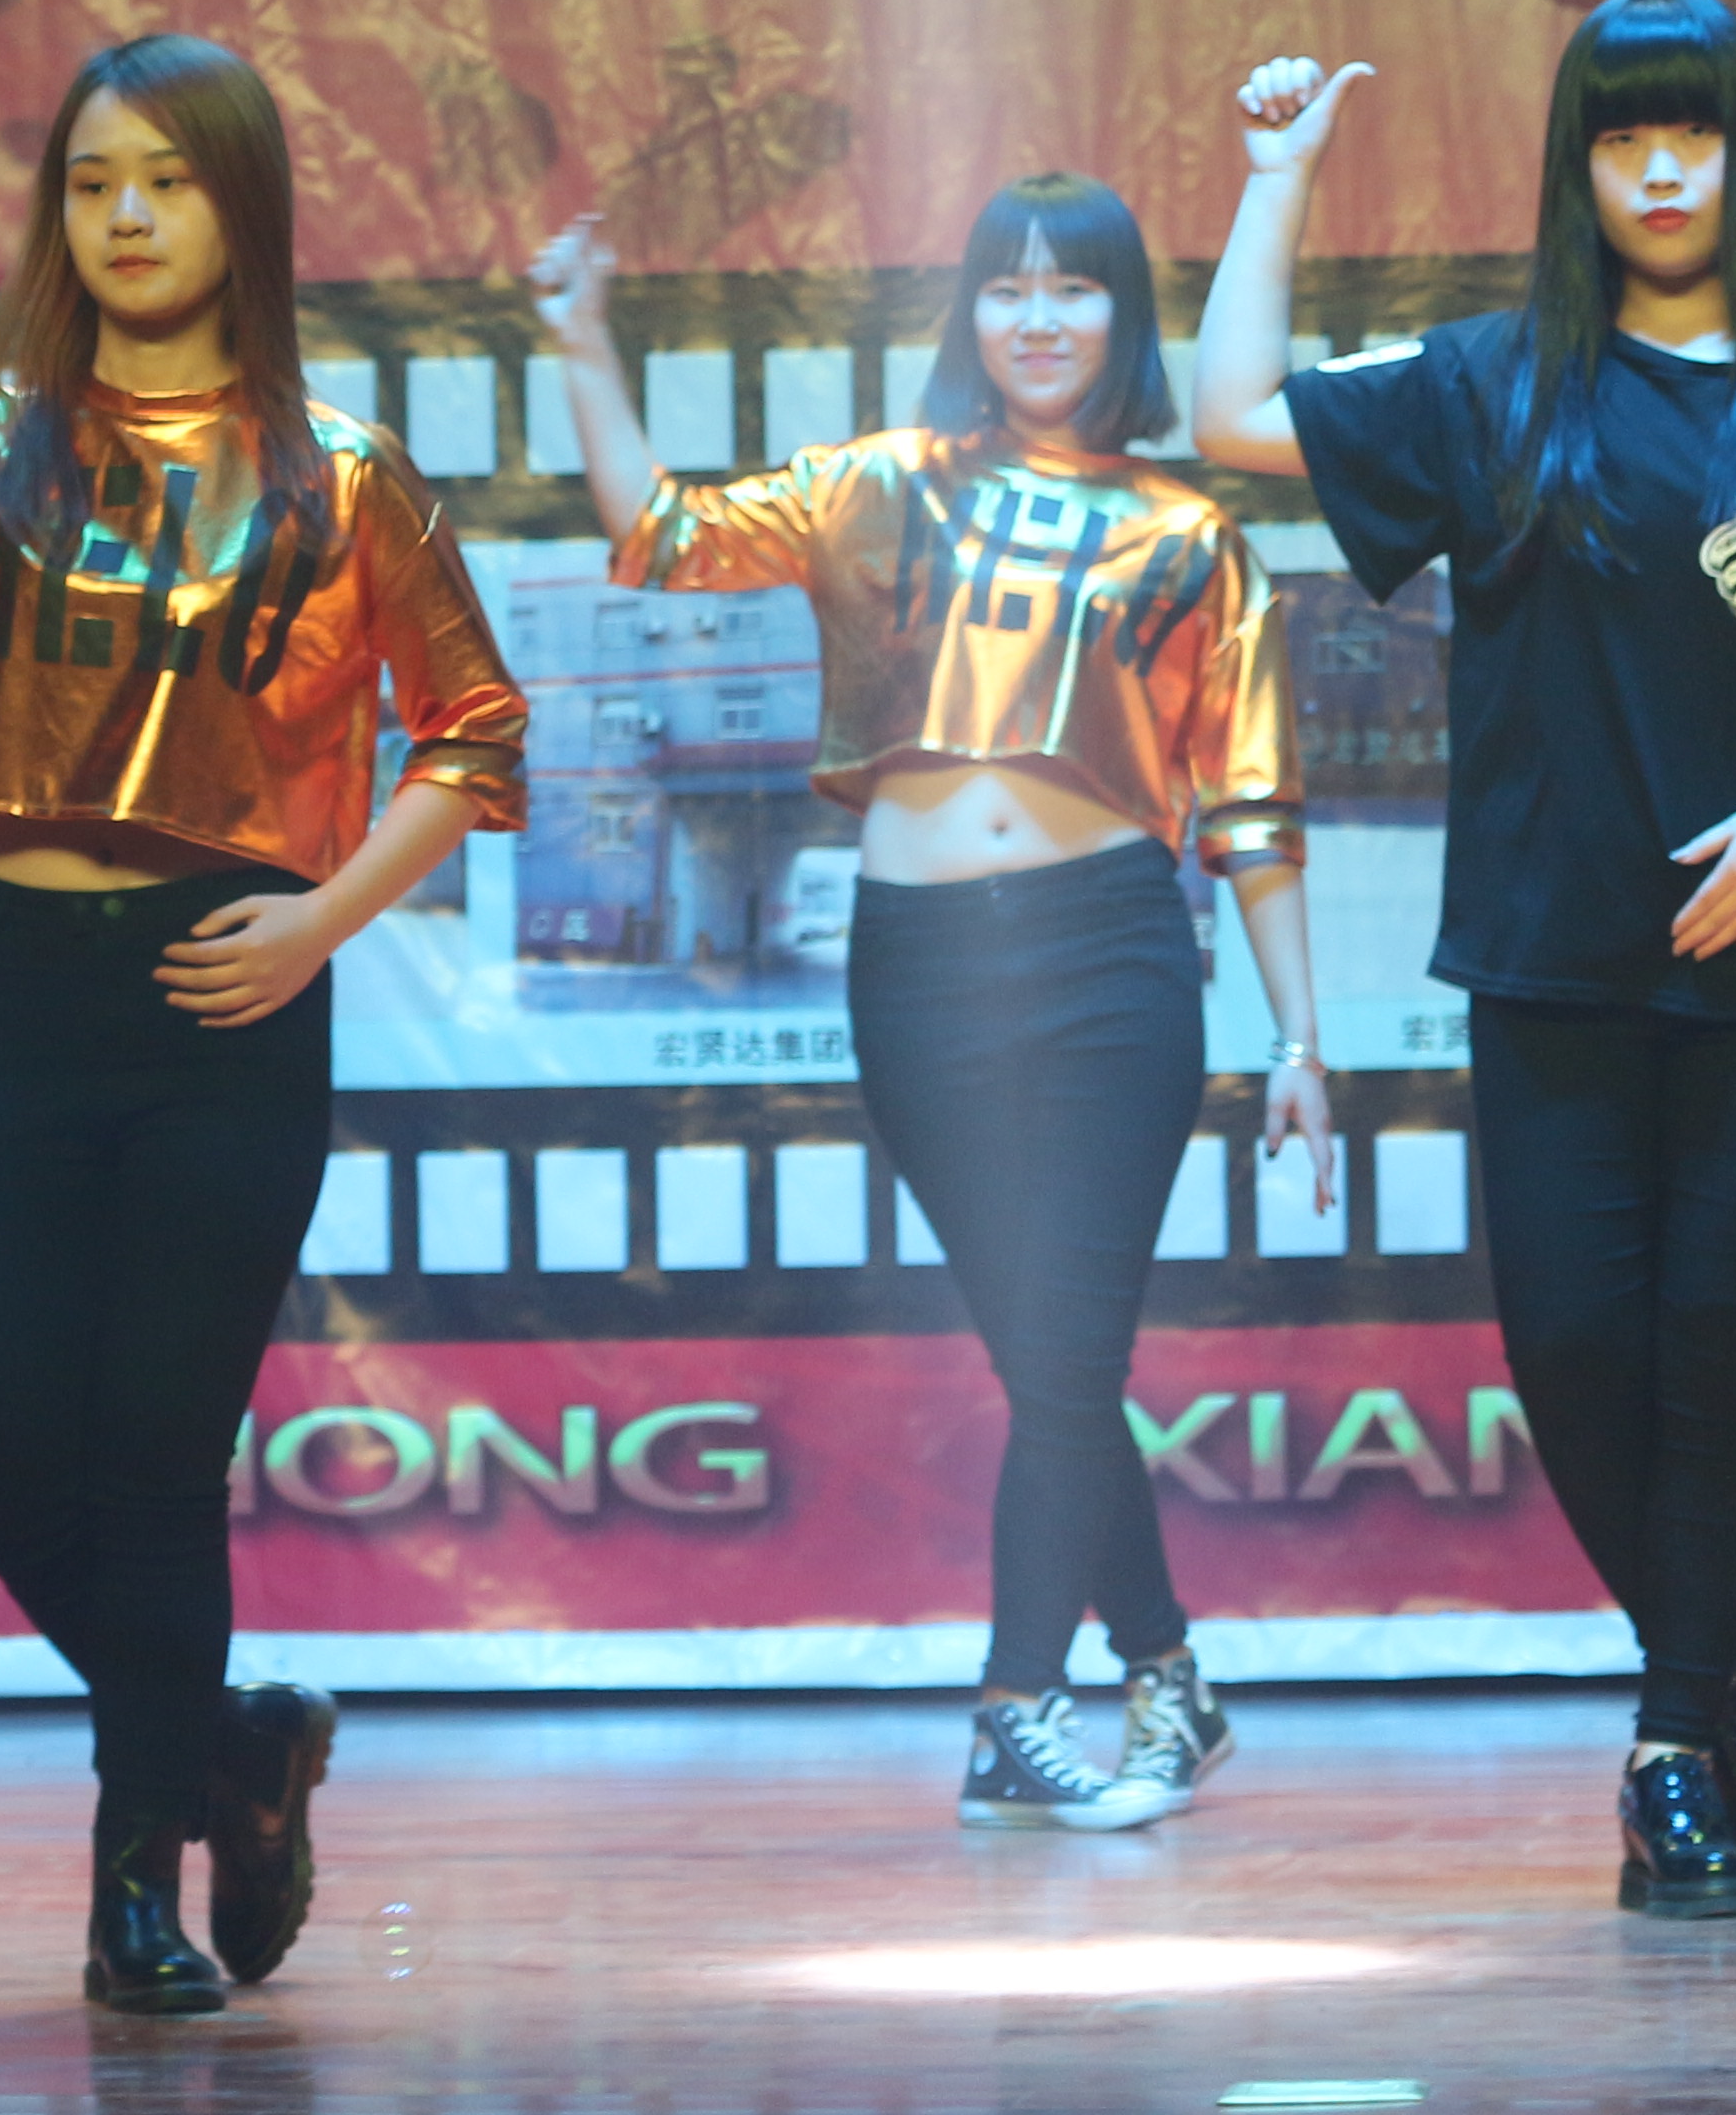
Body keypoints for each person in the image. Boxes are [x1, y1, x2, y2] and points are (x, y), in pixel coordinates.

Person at [0, 37, 528, 2015]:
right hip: (28, 990)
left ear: (243, 205)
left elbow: (475, 739)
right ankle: (234, 1745)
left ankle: (136, 1892)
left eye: (169, 179)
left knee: (152, 1469)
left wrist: (321, 923)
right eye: (91, 181)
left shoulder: (340, 471)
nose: (126, 216)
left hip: (235, 998)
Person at [1186, 0, 1736, 1919]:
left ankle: (1671, 1751)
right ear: (1576, 164)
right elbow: (1232, 418)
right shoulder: (1501, 378)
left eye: (1691, 131)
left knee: (1720, 1350)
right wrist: (1279, 179)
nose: (1658, 170)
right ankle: (1731, 1668)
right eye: (1621, 136)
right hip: (1558, 952)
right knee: (1571, 1346)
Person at [533, 172, 1328, 1833]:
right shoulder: (878, 483)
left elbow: (1252, 806)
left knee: (1067, 1351)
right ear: (970, 313)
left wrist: (1299, 1040)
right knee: (1052, 1364)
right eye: (1007, 288)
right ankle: (1168, 1676)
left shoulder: (1189, 537)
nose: (1039, 319)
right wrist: (584, 342)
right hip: (921, 969)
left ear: (1125, 317)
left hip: (1109, 958)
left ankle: (1013, 1706)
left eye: (1076, 289)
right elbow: (663, 537)